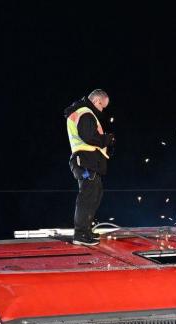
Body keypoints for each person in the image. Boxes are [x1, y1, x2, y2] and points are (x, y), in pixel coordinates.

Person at [63, 89, 113, 246]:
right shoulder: (85, 112)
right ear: (97, 101)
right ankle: (80, 234)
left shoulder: (84, 112)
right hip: (84, 160)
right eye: (103, 106)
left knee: (95, 193)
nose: (102, 110)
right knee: (88, 195)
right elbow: (88, 136)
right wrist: (106, 139)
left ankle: (85, 230)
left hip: (89, 160)